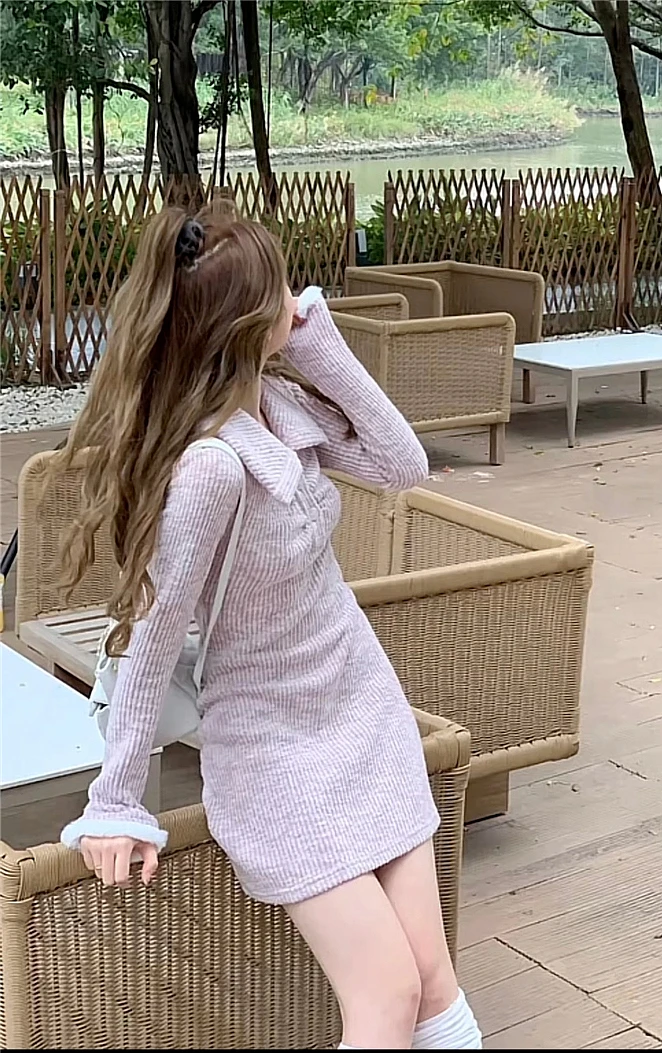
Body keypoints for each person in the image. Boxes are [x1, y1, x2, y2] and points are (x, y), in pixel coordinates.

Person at [57, 207, 483, 1051]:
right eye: (283, 290)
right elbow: (151, 635)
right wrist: (116, 799)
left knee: (434, 983)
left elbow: (403, 463)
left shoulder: (282, 407)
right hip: (276, 750)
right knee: (389, 993)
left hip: (361, 708)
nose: (298, 297)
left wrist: (318, 340)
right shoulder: (212, 468)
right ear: (247, 322)